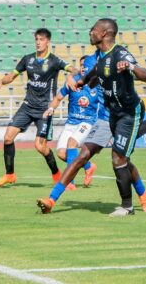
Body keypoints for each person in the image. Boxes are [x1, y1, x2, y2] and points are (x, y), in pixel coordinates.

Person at [39, 18, 146, 217]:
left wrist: (130, 67)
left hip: (128, 113)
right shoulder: (97, 57)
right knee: (83, 155)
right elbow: (91, 76)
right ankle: (51, 200)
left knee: (120, 159)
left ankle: (133, 202)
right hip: (107, 114)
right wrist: (78, 81)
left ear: (105, 33)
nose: (90, 31)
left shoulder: (120, 53)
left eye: (94, 29)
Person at [0, 28, 74, 187]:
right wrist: (1, 81)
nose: (38, 42)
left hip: (45, 109)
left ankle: (57, 175)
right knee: (8, 137)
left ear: (48, 42)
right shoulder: (27, 59)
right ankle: (10, 175)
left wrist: (71, 76)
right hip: (27, 106)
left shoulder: (55, 61)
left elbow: (73, 69)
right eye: (36, 39)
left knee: (40, 146)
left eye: (41, 39)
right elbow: (13, 75)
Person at [42, 54, 102, 189]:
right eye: (81, 65)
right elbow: (58, 98)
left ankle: (70, 182)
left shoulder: (97, 85)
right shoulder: (72, 82)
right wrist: (51, 108)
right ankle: (88, 166)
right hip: (71, 122)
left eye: (85, 66)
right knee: (62, 153)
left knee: (72, 144)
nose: (83, 68)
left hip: (87, 122)